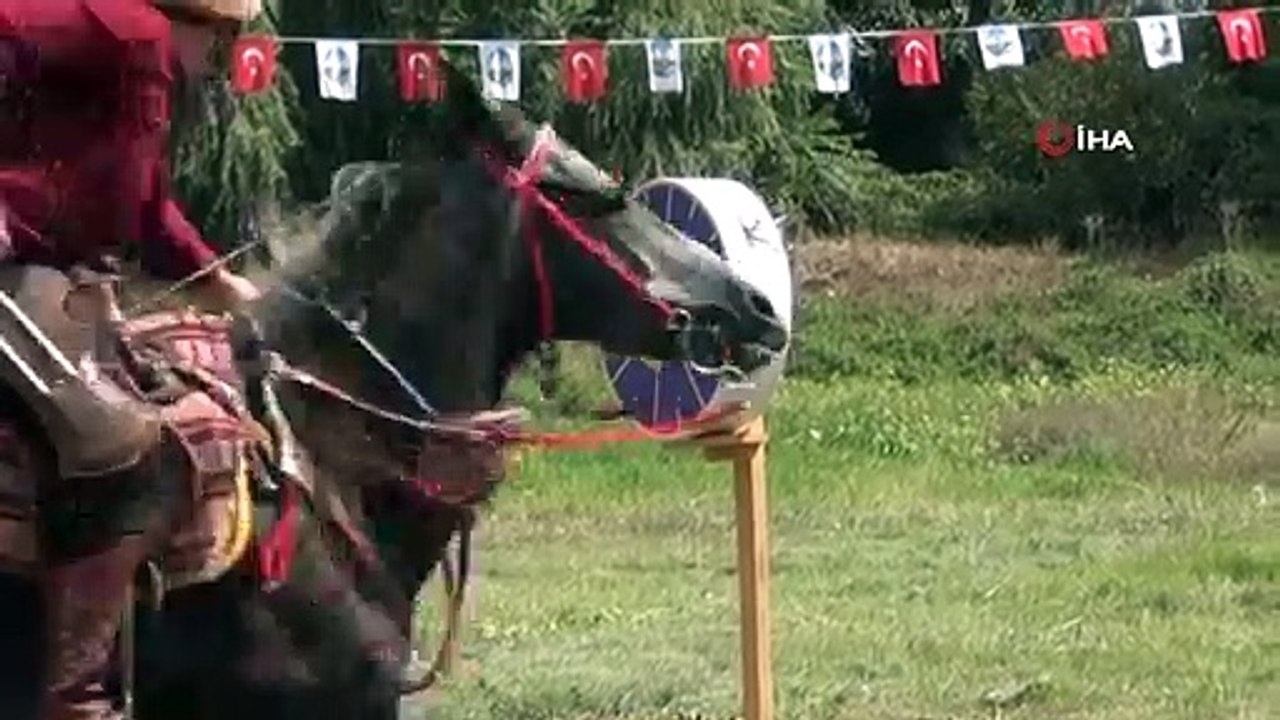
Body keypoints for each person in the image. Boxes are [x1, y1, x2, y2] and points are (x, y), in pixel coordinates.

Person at [0, 1, 262, 718]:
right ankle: (71, 690)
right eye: (226, 34)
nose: (224, 53)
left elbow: (141, 197)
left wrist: (214, 277)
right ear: (196, 19)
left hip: (43, 269)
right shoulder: (133, 34)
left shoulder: (124, 44)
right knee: (112, 436)